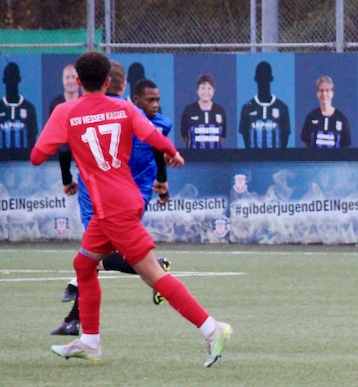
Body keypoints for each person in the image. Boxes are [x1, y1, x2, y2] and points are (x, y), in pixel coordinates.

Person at [31, 51, 231, 366]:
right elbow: (153, 135)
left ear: (79, 81)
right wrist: (173, 153)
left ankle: (212, 328)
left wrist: (64, 130)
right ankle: (91, 343)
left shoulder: (64, 111)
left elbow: (37, 156)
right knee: (83, 266)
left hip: (112, 208)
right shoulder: (124, 107)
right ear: (109, 82)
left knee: (152, 274)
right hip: (121, 201)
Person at [51, 66, 174, 336]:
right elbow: (158, 148)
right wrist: (162, 183)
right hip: (118, 192)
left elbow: (61, 148)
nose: (155, 105)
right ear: (125, 87)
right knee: (96, 253)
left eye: (157, 100)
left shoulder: (107, 113)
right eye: (151, 99)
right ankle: (74, 321)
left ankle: (76, 320)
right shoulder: (129, 115)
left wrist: (162, 184)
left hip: (114, 194)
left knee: (95, 255)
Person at [239, 61, 290, 148]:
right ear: (256, 79)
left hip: (276, 160)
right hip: (253, 160)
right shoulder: (247, 108)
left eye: (266, 77)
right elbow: (245, 137)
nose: (263, 80)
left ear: (271, 78)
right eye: (261, 77)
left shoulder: (282, 107)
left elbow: (285, 137)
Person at [299, 75, 351, 149]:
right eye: (321, 90)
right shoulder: (312, 117)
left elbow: (346, 144)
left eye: (327, 90)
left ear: (332, 93)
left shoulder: (341, 118)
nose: (324, 94)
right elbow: (306, 141)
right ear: (317, 93)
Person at [180, 73, 228, 149]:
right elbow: (184, 136)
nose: (206, 92)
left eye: (209, 88)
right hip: (193, 158)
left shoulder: (220, 110)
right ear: (197, 90)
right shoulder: (189, 110)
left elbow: (222, 137)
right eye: (203, 88)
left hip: (216, 158)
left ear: (213, 91)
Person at [0, 62, 38, 148]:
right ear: (4, 80)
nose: (11, 82)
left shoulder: (29, 108)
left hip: (24, 160)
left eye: (14, 78)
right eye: (9, 78)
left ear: (19, 79)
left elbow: (32, 139)